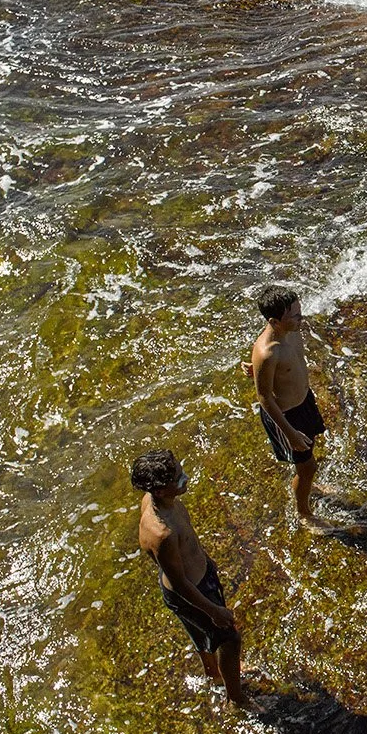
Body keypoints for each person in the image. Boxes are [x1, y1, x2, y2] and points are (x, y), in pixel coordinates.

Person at [132, 449, 248, 706]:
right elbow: (180, 584)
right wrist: (213, 610)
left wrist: (206, 560)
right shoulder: (162, 533)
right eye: (178, 477)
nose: (185, 477)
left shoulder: (158, 500)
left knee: (203, 634)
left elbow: (187, 548)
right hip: (191, 592)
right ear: (161, 490)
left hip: (200, 578)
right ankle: (237, 698)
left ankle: (214, 675)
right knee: (230, 639)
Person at [248, 283, 327, 521]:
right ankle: (303, 512)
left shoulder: (292, 330)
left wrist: (257, 370)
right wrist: (290, 433)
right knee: (308, 466)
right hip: (287, 416)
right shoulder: (267, 352)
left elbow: (284, 368)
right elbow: (264, 398)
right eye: (294, 316)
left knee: (308, 456)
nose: (300, 318)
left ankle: (306, 483)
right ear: (274, 322)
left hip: (304, 402)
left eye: (299, 312)